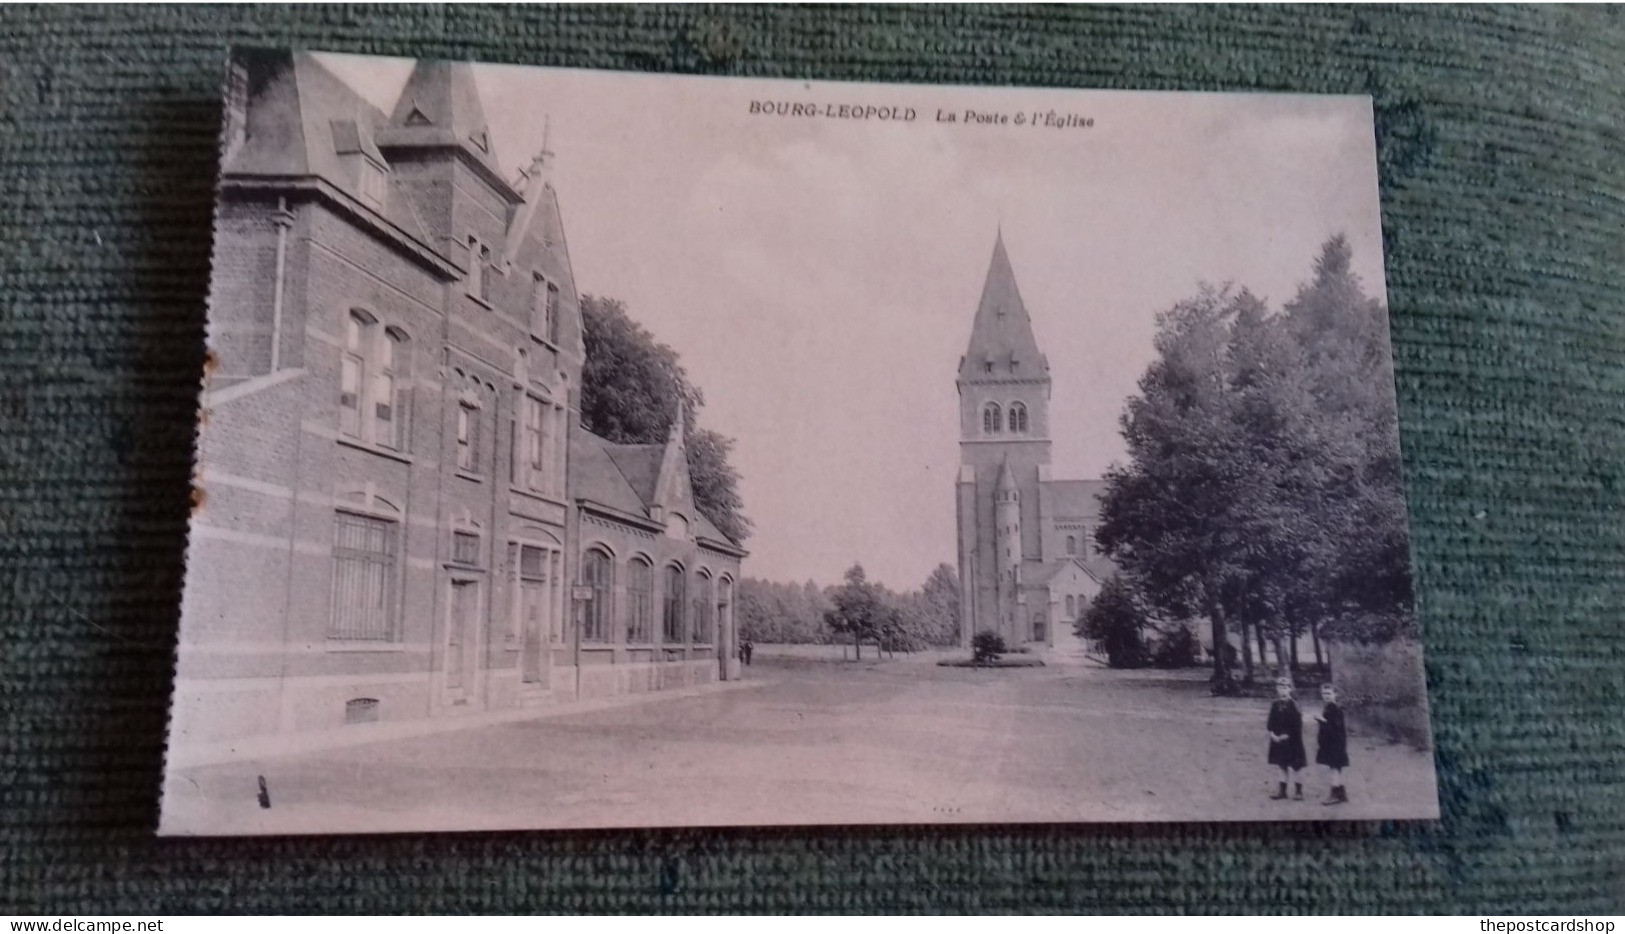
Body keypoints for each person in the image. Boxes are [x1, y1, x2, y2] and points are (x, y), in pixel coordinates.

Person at [1266, 677, 1307, 800]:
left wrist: (1286, 735)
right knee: (1281, 765)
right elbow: (1270, 723)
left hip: (1292, 741)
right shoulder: (1274, 704)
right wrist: (1273, 734)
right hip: (1277, 740)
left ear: (1289, 689)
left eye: (1285, 687)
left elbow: (1297, 725)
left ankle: (1298, 791)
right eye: (1280, 687)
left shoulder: (1294, 705)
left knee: (1296, 766)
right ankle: (1282, 791)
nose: (1282, 690)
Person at [1315, 682, 1350, 805]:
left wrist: (1321, 720)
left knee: (1334, 768)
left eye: (1329, 693)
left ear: (1335, 694)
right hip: (1332, 743)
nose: (1326, 696)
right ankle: (1341, 794)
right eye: (1324, 693)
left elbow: (1335, 727)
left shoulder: (1335, 708)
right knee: (1336, 768)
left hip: (1336, 744)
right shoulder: (1329, 707)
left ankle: (1334, 794)